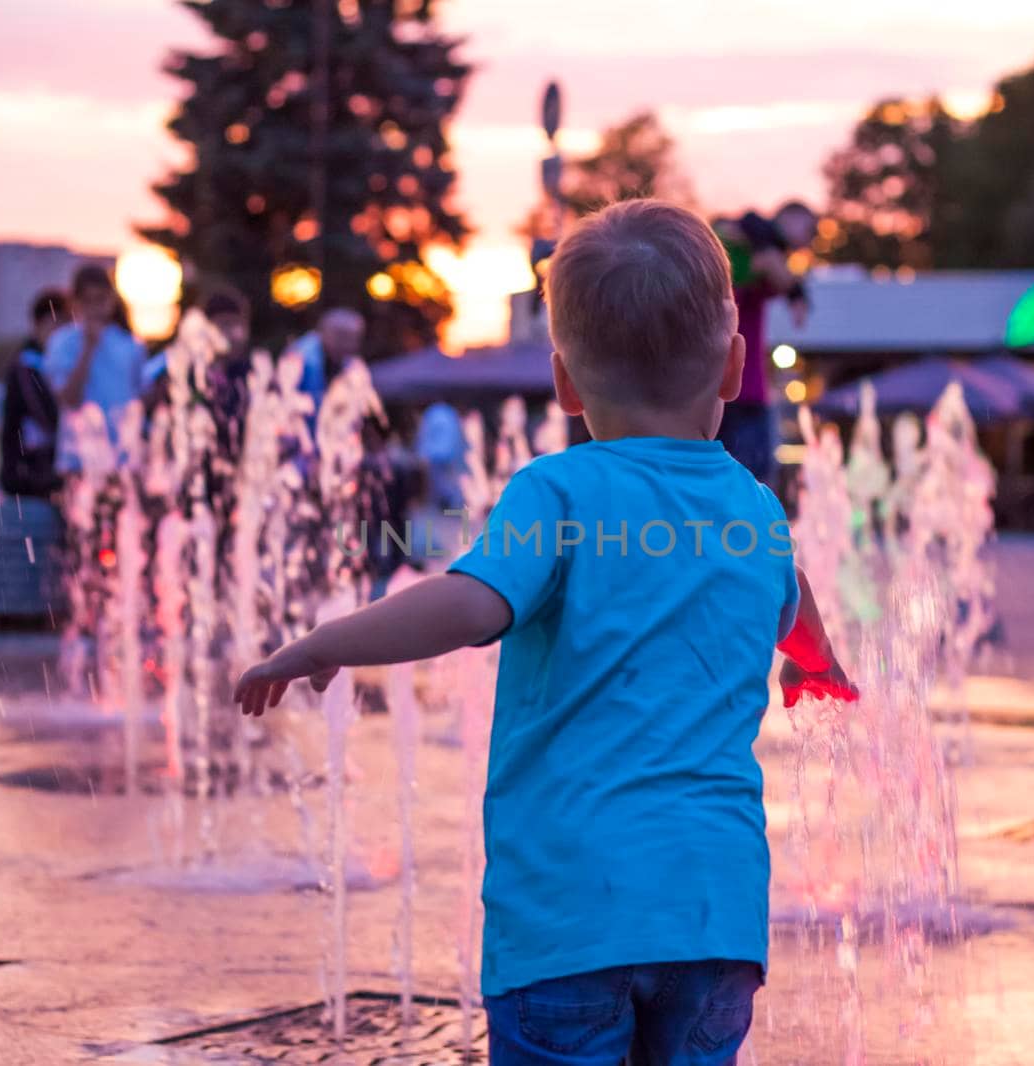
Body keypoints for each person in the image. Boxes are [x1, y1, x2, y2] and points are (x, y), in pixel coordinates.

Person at [234, 200, 856, 1066]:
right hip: (716, 923)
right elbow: (794, 598)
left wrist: (327, 641)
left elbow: (467, 606)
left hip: (571, 920)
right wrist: (817, 667)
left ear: (565, 383)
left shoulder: (557, 493)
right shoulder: (754, 506)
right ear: (733, 367)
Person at [710, 205, 812, 487]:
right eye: (808, 229)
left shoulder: (747, 268)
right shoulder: (760, 246)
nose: (808, 241)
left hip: (728, 390)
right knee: (751, 474)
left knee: (734, 475)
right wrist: (798, 296)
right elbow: (771, 264)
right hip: (742, 393)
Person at [42, 263, 146, 465]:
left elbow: (138, 399)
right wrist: (88, 349)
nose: (94, 308)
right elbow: (68, 399)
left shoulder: (130, 344)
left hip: (122, 459)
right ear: (76, 303)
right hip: (78, 459)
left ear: (111, 300)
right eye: (87, 301)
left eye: (100, 300)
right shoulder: (62, 343)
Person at [0, 289, 68, 497]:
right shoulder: (26, 365)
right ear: (37, 325)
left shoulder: (47, 364)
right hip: (26, 472)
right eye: (54, 326)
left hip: (43, 470)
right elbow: (47, 416)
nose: (59, 335)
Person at [284, 307, 365, 418]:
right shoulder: (301, 356)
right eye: (343, 337)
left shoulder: (349, 362)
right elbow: (284, 397)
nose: (350, 345)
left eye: (354, 339)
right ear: (326, 332)